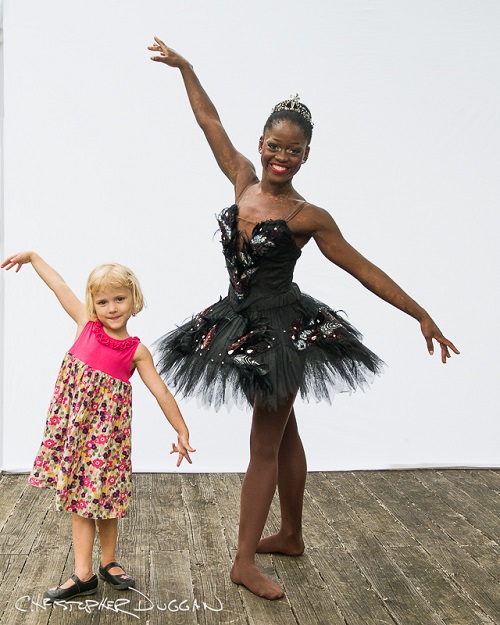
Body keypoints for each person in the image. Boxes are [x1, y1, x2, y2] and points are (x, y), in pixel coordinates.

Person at [148, 37, 459, 600]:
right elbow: (209, 122)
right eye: (274, 145)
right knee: (284, 432)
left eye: (293, 151)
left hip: (283, 333)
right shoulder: (242, 179)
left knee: (263, 443)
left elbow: (363, 268)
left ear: (306, 155)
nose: (280, 157)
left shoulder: (306, 216)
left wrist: (421, 313)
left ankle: (244, 560)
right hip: (238, 323)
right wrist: (187, 69)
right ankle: (289, 534)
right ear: (261, 142)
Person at [1, 251, 195, 602]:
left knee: (107, 500)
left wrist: (181, 430)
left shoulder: (136, 351)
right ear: (92, 303)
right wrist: (33, 258)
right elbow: (59, 285)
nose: (111, 307)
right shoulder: (85, 325)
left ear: (134, 300)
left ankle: (109, 563)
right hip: (76, 437)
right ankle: (83, 573)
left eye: (119, 299)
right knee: (80, 503)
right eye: (102, 301)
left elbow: (161, 390)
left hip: (108, 442)